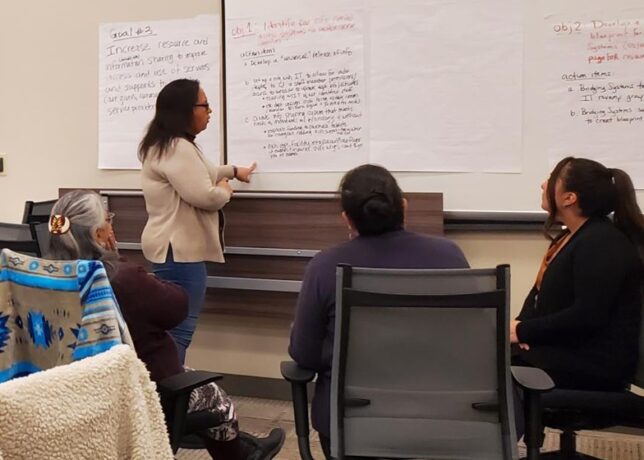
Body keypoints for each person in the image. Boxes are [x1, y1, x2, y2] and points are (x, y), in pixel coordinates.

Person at [47, 190, 285, 460]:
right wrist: (120, 261)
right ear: (99, 234)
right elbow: (177, 308)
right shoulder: (121, 278)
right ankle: (242, 456)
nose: (112, 225)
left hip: (73, 395)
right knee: (217, 400)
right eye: (108, 220)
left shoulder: (44, 279)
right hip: (145, 390)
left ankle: (245, 448)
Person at [288, 164, 470, 458]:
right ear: (404, 207)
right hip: (440, 420)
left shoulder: (324, 267)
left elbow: (304, 354)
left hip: (350, 426)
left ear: (348, 219)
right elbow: (466, 340)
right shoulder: (450, 256)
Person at [138, 78, 257, 364]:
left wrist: (232, 170)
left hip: (175, 250)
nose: (210, 110)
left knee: (173, 330)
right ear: (185, 110)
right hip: (179, 252)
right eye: (204, 105)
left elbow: (203, 172)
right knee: (179, 331)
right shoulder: (176, 147)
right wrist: (226, 191)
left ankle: (165, 394)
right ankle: (169, 397)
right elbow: (203, 195)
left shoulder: (173, 145)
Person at [512, 157, 643, 394]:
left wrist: (522, 331)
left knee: (492, 364)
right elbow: (539, 297)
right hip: (566, 351)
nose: (543, 185)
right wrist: (520, 328)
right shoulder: (569, 238)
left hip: (594, 366)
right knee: (492, 352)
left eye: (551, 180)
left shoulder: (602, 242)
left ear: (569, 198)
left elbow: (587, 315)